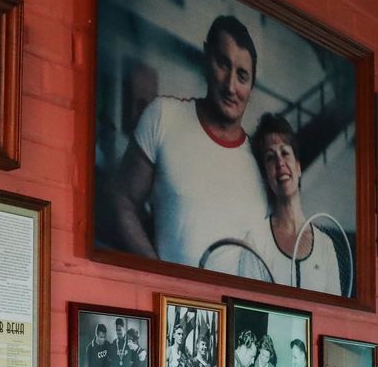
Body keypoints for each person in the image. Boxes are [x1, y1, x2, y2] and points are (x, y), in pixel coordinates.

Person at [109, 15, 266, 269]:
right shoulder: (163, 115)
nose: (231, 86)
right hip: (172, 305)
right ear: (206, 57)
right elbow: (123, 199)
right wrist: (158, 275)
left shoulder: (260, 159)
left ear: (251, 87)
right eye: (223, 64)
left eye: (243, 76)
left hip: (237, 308)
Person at [241, 112, 343, 294]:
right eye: (270, 157)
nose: (280, 163)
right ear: (266, 176)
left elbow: (334, 318)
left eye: (285, 153)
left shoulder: (325, 245)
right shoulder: (255, 241)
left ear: (298, 166)